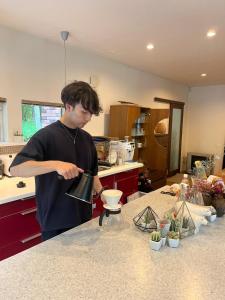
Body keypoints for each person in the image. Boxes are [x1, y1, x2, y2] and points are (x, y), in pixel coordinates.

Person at [10, 81, 104, 241]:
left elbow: (93, 172)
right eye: (84, 112)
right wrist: (56, 164)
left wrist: (103, 193)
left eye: (91, 114)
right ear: (68, 106)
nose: (88, 118)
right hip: (55, 221)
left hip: (84, 217)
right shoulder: (46, 136)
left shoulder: (87, 138)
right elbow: (16, 169)